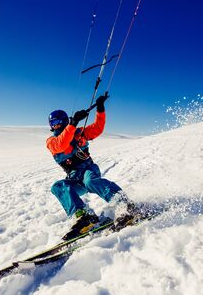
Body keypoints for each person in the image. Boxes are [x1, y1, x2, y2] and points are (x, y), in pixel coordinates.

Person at [46, 94, 136, 240]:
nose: (55, 125)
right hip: (74, 178)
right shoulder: (51, 141)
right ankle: (84, 217)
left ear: (63, 121)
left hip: (88, 170)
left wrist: (100, 109)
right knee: (58, 186)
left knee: (91, 181)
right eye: (52, 123)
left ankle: (125, 205)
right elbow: (61, 144)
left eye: (57, 122)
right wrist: (73, 124)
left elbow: (97, 128)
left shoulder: (79, 133)